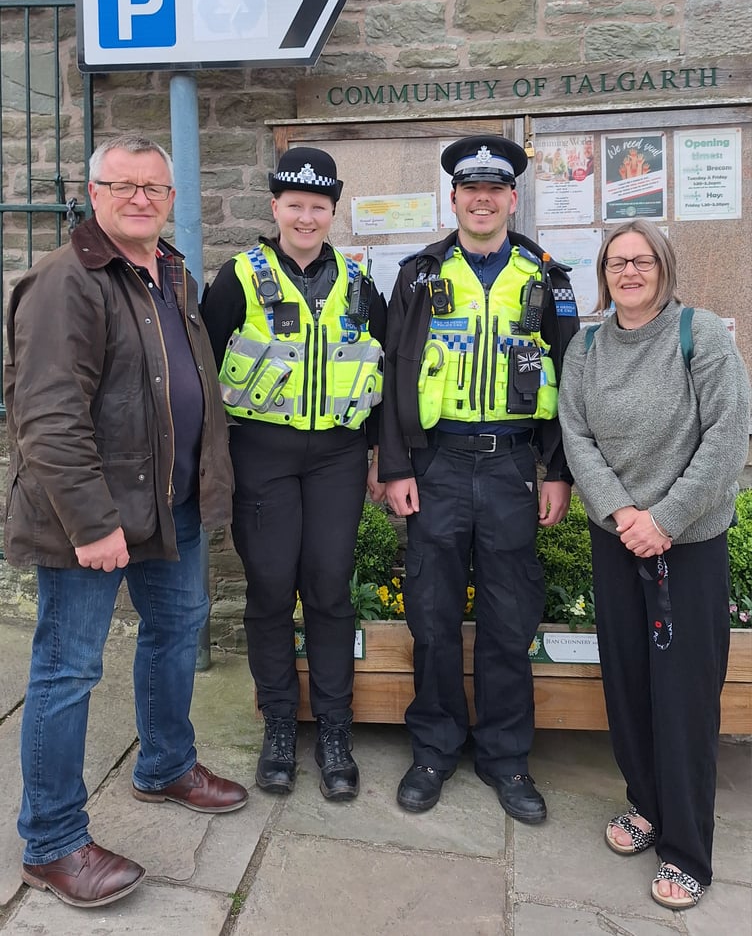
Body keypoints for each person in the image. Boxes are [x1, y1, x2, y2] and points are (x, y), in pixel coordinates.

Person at [4, 135, 248, 909]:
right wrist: (90, 522)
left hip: (169, 509)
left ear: (171, 198)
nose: (141, 197)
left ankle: (166, 765)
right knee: (67, 669)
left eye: (155, 187)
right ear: (93, 190)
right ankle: (51, 841)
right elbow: (46, 417)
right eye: (124, 185)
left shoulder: (168, 271)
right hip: (95, 521)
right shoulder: (64, 280)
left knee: (176, 633)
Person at [379, 135, 579, 822]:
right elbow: (394, 373)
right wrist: (396, 466)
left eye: (495, 190)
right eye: (471, 189)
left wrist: (559, 471)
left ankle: (505, 757)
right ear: (455, 197)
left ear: (512, 199)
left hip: (513, 466)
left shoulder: (548, 278)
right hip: (437, 463)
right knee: (432, 613)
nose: (483, 199)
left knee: (507, 617)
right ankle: (433, 749)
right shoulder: (418, 274)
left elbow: (570, 376)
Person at [557, 219, 750, 911]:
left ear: (664, 268)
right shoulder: (586, 347)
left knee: (685, 698)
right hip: (618, 540)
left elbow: (727, 439)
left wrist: (664, 519)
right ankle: (645, 805)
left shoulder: (702, 337)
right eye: (616, 263)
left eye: (641, 261)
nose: (629, 273)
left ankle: (687, 849)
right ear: (603, 274)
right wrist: (621, 516)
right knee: (629, 682)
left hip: (688, 548)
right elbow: (574, 434)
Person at [201, 147, 386, 802]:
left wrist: (380, 460)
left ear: (333, 212)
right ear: (275, 206)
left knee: (330, 586)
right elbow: (204, 368)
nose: (306, 217)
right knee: (272, 587)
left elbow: (381, 374)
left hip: (337, 454)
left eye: (319, 207)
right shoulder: (238, 278)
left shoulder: (360, 282)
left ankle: (335, 727)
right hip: (264, 452)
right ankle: (281, 723)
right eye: (294, 205)